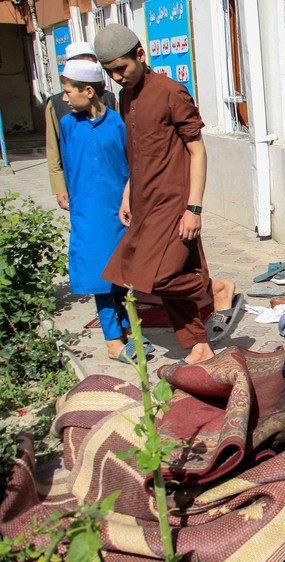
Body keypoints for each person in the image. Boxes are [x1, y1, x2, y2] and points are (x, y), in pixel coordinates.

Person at [95, 24, 238, 365]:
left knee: (156, 275)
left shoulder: (172, 92)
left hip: (175, 201)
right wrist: (128, 192)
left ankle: (213, 288)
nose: (117, 77)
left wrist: (194, 208)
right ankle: (199, 345)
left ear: (140, 55)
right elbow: (137, 152)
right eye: (110, 71)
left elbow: (197, 151)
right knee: (140, 274)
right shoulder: (124, 96)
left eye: (121, 68)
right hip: (144, 201)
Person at [57, 59, 144, 363]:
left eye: (68, 91)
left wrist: (130, 202)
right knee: (99, 276)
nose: (64, 98)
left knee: (121, 272)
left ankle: (127, 326)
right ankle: (111, 341)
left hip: (118, 210)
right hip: (88, 212)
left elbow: (131, 166)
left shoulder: (118, 124)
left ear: (89, 91)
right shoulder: (68, 124)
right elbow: (70, 167)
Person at [47, 42, 117, 212]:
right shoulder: (56, 104)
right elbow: (53, 150)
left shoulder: (110, 100)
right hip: (78, 183)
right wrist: (60, 187)